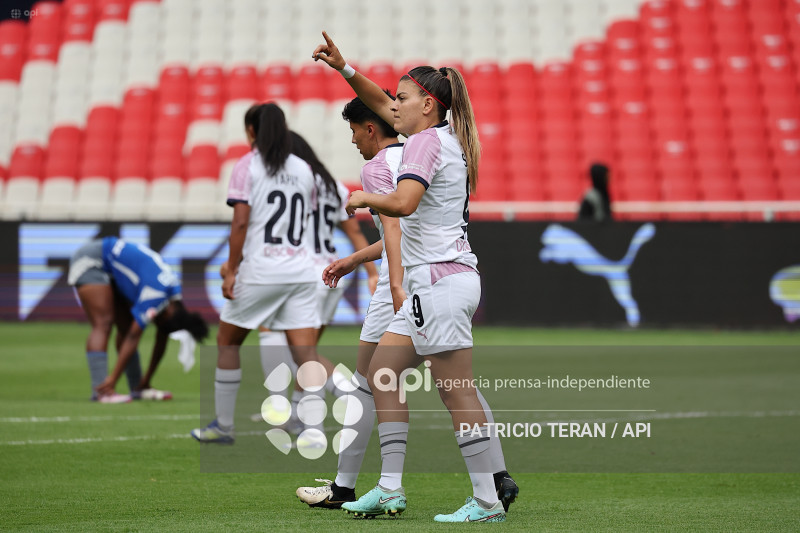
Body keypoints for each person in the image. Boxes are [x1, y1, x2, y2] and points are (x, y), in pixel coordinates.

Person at [311, 32, 515, 522]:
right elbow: (380, 102)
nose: (392, 105)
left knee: (455, 391)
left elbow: (403, 205)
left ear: (427, 105)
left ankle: (487, 500)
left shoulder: (423, 142)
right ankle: (389, 487)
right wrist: (345, 68)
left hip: (438, 282)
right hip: (438, 281)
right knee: (383, 373)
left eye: (401, 98)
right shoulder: (443, 135)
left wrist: (365, 199)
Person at [296, 93, 408, 508]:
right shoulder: (419, 156)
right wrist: (355, 260)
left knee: (368, 382)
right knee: (456, 384)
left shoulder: (377, 167)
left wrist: (393, 285)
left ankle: (353, 487)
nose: (353, 139)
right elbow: (407, 232)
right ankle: (494, 480)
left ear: (370, 129)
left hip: (404, 282)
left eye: (354, 131)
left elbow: (395, 232)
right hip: (442, 275)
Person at [191, 103, 326, 445]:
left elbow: (240, 222)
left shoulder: (247, 165)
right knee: (305, 353)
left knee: (227, 342)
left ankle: (223, 426)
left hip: (262, 270)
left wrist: (231, 270)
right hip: (300, 271)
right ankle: (313, 429)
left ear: (252, 131)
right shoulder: (304, 169)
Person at [257, 129, 380, 431]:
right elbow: (353, 231)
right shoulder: (332, 185)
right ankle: (299, 415)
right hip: (330, 274)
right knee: (306, 351)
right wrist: (372, 272)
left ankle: (347, 398)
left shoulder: (287, 181)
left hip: (299, 273)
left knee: (288, 343)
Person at [68, 237, 209, 403]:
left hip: (111, 266)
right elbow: (133, 337)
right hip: (92, 260)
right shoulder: (155, 295)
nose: (155, 322)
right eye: (159, 324)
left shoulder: (173, 298)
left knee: (126, 327)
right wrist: (113, 379)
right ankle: (102, 391)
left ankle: (137, 388)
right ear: (165, 317)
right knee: (103, 324)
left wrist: (146, 381)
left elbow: (161, 339)